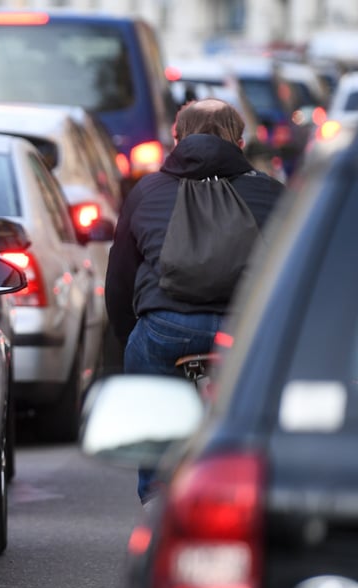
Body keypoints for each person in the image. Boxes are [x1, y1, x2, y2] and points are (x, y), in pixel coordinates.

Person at [104, 98, 285, 504]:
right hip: (247, 332)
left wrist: (128, 339)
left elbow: (118, 282)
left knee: (153, 407)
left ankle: (155, 497)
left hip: (169, 329)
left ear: (176, 138)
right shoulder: (273, 194)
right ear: (241, 141)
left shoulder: (145, 191)